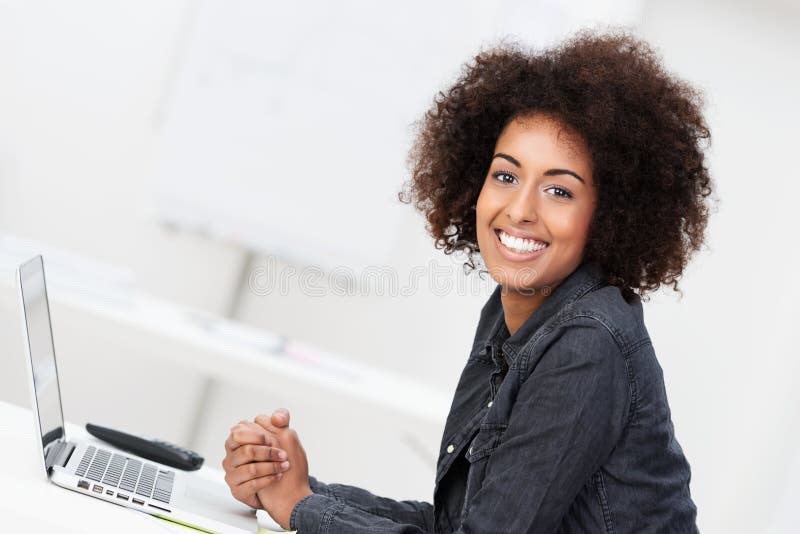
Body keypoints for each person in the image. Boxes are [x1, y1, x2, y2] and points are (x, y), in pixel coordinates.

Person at [221, 27, 713, 533]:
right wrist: (286, 484)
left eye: (559, 191)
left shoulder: (588, 342)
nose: (520, 210)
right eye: (505, 176)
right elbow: (458, 522)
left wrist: (301, 508)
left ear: (610, 215)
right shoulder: (511, 312)